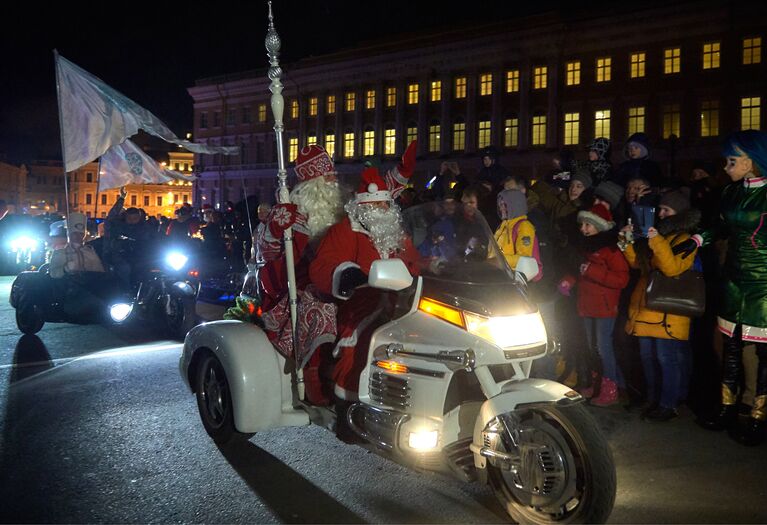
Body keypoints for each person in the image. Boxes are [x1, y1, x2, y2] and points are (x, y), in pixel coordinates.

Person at [309, 166, 421, 406]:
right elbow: (322, 266)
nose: (382, 210)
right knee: (363, 341)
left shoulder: (396, 233)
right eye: (377, 205)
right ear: (363, 207)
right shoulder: (345, 231)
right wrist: (346, 275)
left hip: (403, 301)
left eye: (385, 204)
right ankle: (348, 404)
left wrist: (438, 266)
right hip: (361, 303)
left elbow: (414, 261)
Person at [692, 130, 767, 445]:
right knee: (732, 347)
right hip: (734, 277)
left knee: (764, 353)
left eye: (731, 161)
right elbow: (720, 226)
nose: (725, 167)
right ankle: (727, 409)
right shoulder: (730, 193)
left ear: (751, 162)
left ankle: (758, 418)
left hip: (764, 282)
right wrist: (697, 239)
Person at [618, 187, 700, 421]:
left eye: (667, 209)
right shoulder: (657, 237)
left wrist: (656, 240)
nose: (662, 214)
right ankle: (653, 399)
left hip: (668, 313)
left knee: (667, 360)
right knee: (648, 358)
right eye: (660, 209)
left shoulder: (684, 240)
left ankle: (668, 404)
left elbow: (672, 268)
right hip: (646, 308)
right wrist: (626, 241)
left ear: (679, 213)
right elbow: (639, 264)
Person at [560, 203, 629, 406]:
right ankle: (597, 383)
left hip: (604, 307)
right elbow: (578, 270)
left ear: (599, 226)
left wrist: (591, 270)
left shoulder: (611, 250)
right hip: (586, 303)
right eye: (582, 225)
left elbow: (621, 279)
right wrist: (569, 280)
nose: (583, 229)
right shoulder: (585, 247)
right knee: (592, 347)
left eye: (588, 225)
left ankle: (610, 388)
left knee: (602, 347)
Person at [494, 189, 541, 279]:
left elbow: (525, 257)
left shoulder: (524, 226)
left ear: (515, 205)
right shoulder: (503, 226)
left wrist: (499, 261)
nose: (501, 208)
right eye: (500, 205)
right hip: (499, 276)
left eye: (505, 205)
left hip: (513, 280)